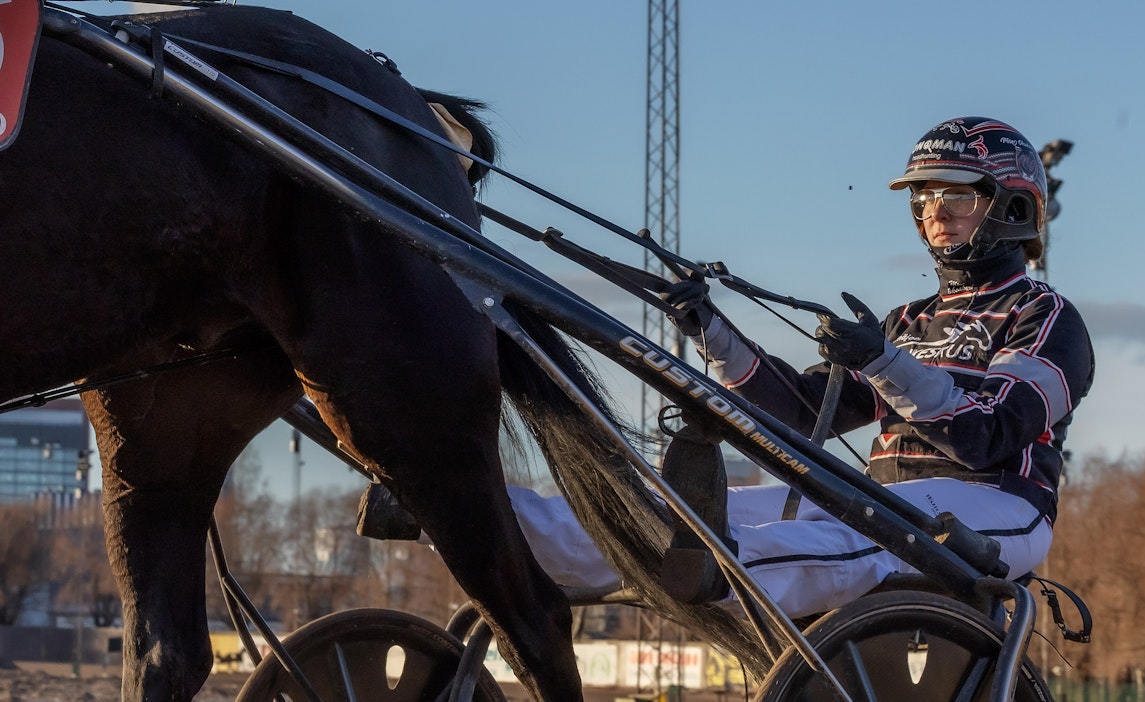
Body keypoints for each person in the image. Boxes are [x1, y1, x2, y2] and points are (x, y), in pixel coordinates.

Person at [417, 116, 1095, 619]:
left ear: (1011, 207)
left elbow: (990, 434)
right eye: (922, 198)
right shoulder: (907, 322)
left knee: (847, 532)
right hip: (880, 502)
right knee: (672, 509)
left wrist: (883, 363)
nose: (933, 213)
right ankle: (456, 506)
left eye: (956, 196)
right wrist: (712, 330)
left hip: (997, 509)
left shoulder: (1047, 318)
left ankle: (719, 572)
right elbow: (801, 414)